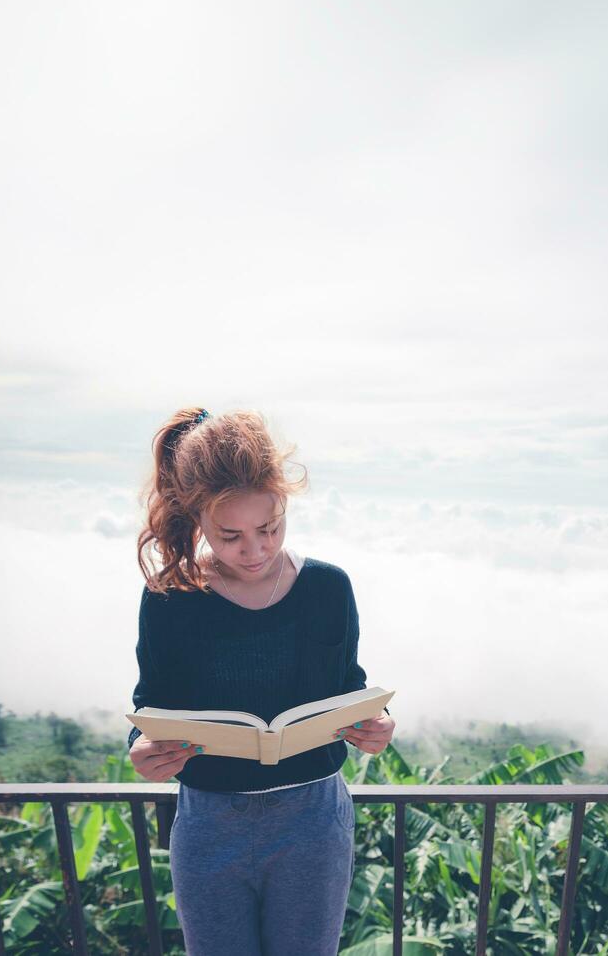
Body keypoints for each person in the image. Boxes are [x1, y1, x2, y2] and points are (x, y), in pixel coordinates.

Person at [127, 406, 395, 956]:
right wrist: (143, 750)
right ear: (196, 520)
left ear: (285, 505)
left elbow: (351, 686)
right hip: (209, 823)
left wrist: (377, 725)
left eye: (269, 528)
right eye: (230, 537)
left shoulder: (327, 588)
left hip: (313, 822)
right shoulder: (170, 600)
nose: (255, 550)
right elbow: (149, 703)